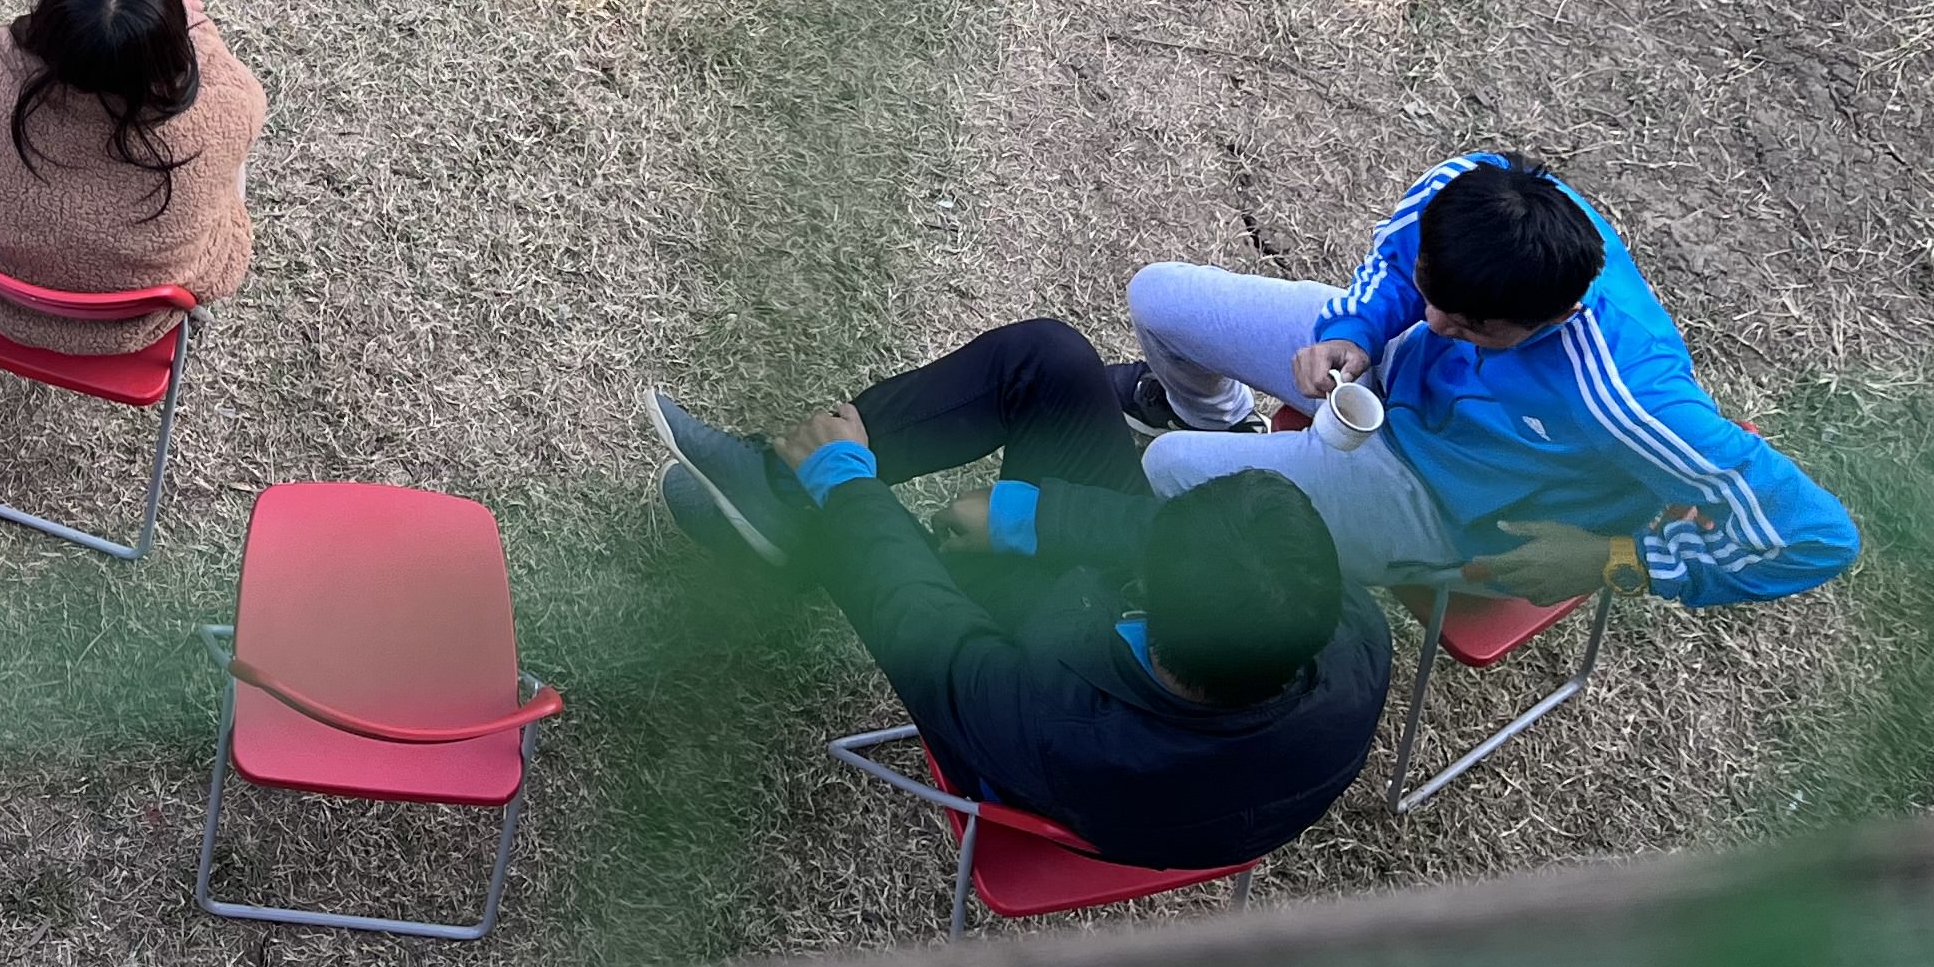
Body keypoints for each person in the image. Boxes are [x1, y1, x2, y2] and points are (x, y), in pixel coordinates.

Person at [646, 324, 1388, 872]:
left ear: (1144, 595)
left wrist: (846, 482)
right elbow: (1179, 538)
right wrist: (1029, 517)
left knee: (897, 561)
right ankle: (777, 500)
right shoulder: (1337, 623)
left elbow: (918, 620)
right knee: (1051, 362)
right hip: (1173, 714)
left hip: (1045, 757)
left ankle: (794, 511)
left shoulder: (1054, 721)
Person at [1115, 151, 1859, 609]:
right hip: (1388, 382)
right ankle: (1226, 425)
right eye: (1434, 297)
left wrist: (1617, 562)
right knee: (1158, 295)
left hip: (1440, 501)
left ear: (1558, 315)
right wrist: (1359, 329)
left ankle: (1238, 508)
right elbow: (1393, 270)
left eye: (1473, 328)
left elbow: (1817, 539)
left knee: (1168, 468)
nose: (1438, 325)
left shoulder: (1627, 397)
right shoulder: (1475, 188)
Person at [0, 0, 264, 354]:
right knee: (230, 164)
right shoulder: (227, 115)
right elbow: (233, 82)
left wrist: (21, 40)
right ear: (173, 48)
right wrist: (198, 26)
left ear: (52, 21)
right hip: (132, 324)